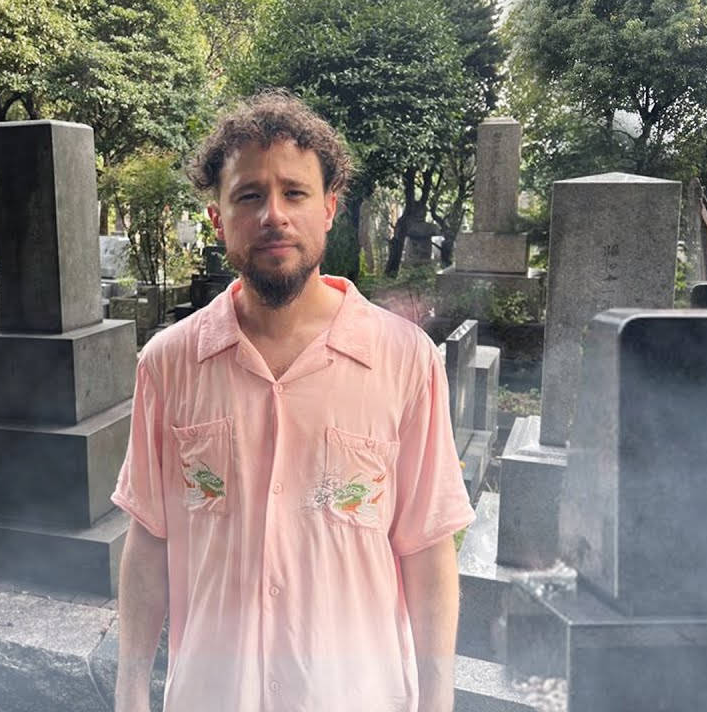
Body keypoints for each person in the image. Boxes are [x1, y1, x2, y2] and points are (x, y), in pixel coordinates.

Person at [111, 91, 475, 712]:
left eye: (295, 193)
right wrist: (129, 694)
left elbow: (426, 547)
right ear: (218, 218)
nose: (273, 214)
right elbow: (149, 539)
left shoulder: (404, 360)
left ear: (329, 209)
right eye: (249, 195)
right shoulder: (168, 365)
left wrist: (438, 703)